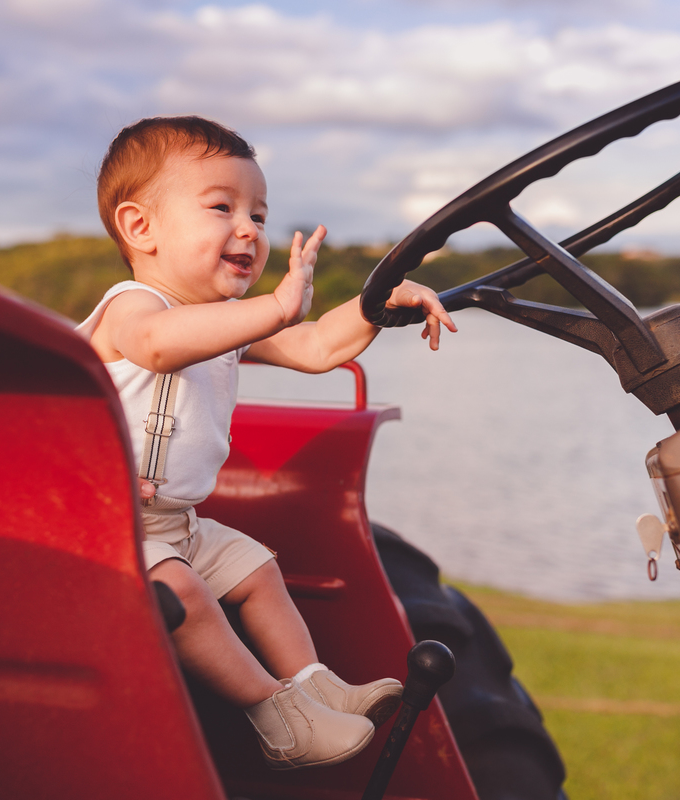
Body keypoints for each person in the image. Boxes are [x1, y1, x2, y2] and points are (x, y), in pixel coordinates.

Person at [76, 116, 456, 770]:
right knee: (186, 594)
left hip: (174, 523)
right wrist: (278, 307)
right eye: (222, 207)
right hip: (106, 525)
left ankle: (315, 686)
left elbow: (314, 346)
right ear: (140, 228)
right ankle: (277, 718)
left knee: (256, 569)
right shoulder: (130, 308)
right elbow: (158, 349)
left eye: (258, 213)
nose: (250, 229)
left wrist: (374, 307)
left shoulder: (227, 327)